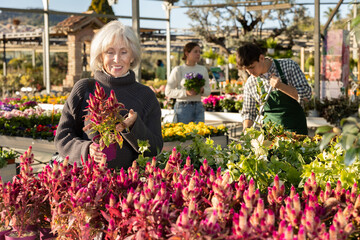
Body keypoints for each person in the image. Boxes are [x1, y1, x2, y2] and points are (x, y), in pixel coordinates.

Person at [54, 20, 163, 170]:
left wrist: (132, 127)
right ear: (100, 56)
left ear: (132, 56)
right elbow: (62, 137)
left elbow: (155, 148)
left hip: (129, 185)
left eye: (124, 52)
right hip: (86, 182)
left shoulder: (146, 96)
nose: (116, 59)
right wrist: (86, 150)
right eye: (109, 52)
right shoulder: (85, 89)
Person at [237, 43, 312, 135]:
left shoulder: (288, 66)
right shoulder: (251, 83)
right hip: (270, 136)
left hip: (295, 133)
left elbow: (306, 95)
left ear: (261, 58)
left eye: (252, 67)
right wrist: (247, 130)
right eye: (246, 69)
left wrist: (281, 86)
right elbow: (249, 112)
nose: (250, 72)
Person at [165, 42, 211, 123]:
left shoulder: (203, 69)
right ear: (187, 53)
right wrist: (186, 92)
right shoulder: (178, 70)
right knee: (184, 134)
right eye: (195, 51)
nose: (198, 54)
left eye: (199, 52)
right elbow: (168, 91)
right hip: (182, 108)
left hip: (198, 106)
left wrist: (202, 90)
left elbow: (208, 91)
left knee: (199, 134)